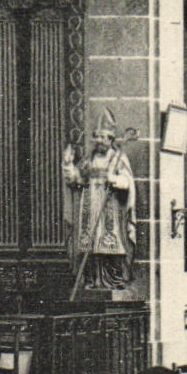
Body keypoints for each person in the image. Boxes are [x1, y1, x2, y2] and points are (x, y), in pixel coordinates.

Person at [62, 117, 136, 294]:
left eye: (103, 137)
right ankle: (92, 280)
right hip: (89, 207)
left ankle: (112, 280)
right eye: (97, 137)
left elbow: (128, 182)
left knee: (110, 243)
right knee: (89, 244)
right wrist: (68, 164)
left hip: (110, 206)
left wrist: (116, 180)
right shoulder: (89, 159)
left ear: (111, 140)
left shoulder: (118, 158)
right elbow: (76, 179)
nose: (99, 141)